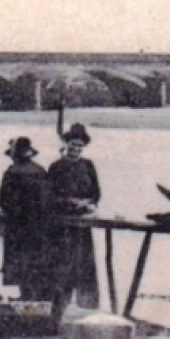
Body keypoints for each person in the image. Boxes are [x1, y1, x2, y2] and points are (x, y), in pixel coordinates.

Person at [48, 122, 101, 310]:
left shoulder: (88, 166)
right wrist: (67, 202)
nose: (76, 149)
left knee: (84, 265)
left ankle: (86, 306)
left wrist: (87, 203)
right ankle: (59, 306)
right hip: (62, 226)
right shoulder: (56, 167)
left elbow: (96, 193)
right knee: (62, 266)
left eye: (80, 146)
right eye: (73, 145)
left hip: (82, 226)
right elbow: (49, 195)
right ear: (66, 145)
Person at [0, 137, 56, 302]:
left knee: (20, 261)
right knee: (36, 261)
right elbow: (48, 200)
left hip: (18, 227)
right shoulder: (41, 171)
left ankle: (26, 296)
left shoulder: (12, 172)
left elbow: (4, 200)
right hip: (40, 226)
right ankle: (36, 297)